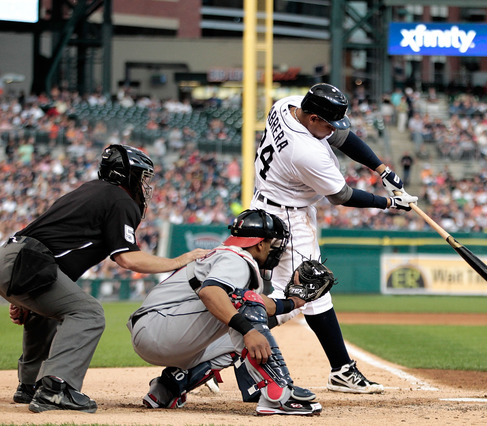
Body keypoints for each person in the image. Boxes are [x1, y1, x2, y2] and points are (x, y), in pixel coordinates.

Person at [0, 144, 209, 413]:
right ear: (127, 175)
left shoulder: (89, 190)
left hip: (15, 256)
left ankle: (29, 386)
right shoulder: (121, 200)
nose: (146, 184)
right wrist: (180, 260)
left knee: (48, 313)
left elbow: (47, 236)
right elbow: (127, 258)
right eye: (143, 176)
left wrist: (21, 294)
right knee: (89, 313)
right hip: (28, 262)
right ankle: (56, 388)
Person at [251, 82, 417, 394]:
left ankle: (342, 369)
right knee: (302, 296)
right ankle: (226, 345)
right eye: (326, 124)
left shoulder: (287, 105)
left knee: (311, 295)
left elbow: (341, 136)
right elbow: (341, 196)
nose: (331, 130)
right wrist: (389, 203)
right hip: (286, 218)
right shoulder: (307, 151)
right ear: (312, 118)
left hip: (267, 203)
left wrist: (383, 171)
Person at [127, 209, 322, 415]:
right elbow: (212, 293)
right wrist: (248, 331)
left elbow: (263, 304)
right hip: (161, 327)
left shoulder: (227, 255)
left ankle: (170, 386)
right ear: (260, 243)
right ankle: (278, 393)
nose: (274, 249)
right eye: (273, 243)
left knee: (235, 337)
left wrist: (294, 302)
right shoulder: (236, 259)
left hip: (159, 330)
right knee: (243, 318)